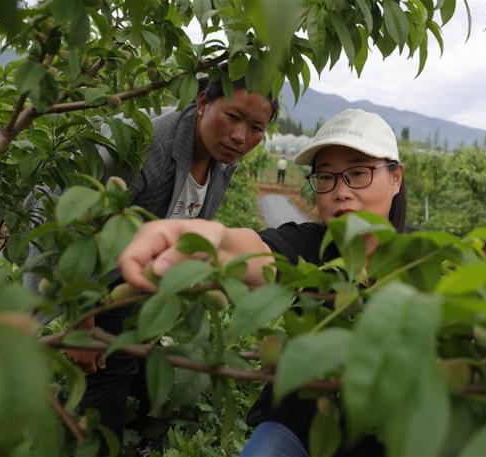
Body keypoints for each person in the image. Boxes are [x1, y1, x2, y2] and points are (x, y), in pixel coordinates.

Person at [118, 108, 406, 456]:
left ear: (396, 178)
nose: (340, 192)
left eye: (358, 174)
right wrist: (211, 243)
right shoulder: (311, 246)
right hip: (296, 425)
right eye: (326, 177)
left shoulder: (428, 265)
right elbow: (258, 251)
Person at [65, 63, 279, 443]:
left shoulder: (221, 159)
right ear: (201, 103)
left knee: (129, 360)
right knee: (106, 375)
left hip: (140, 277)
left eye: (256, 128)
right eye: (232, 116)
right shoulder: (148, 145)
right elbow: (85, 233)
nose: (239, 136)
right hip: (97, 272)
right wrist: (82, 324)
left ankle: (137, 428)